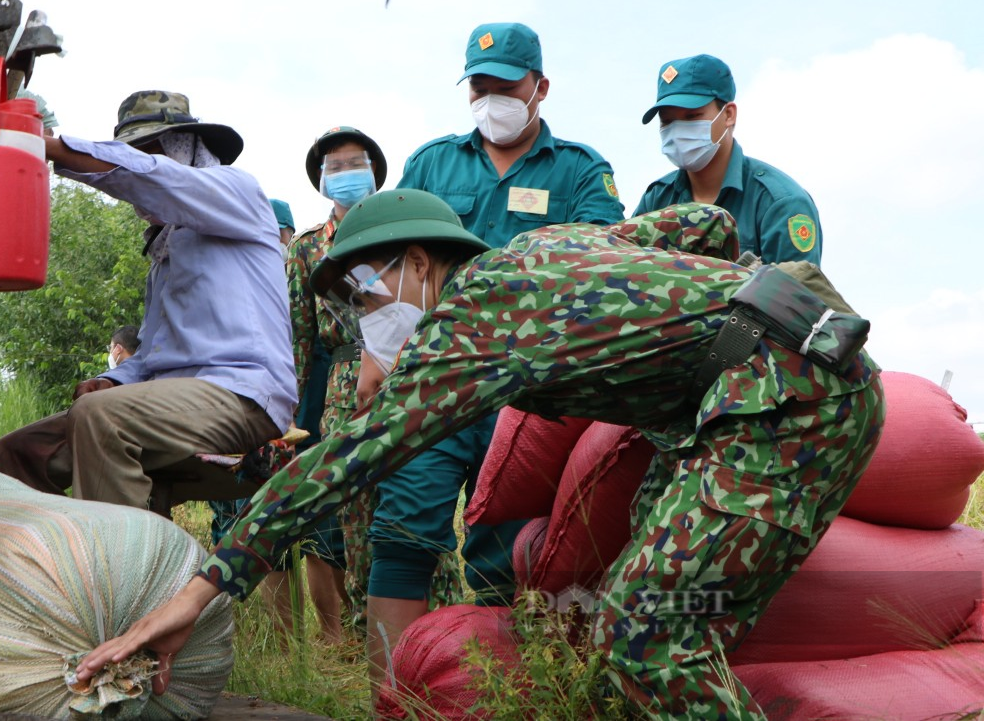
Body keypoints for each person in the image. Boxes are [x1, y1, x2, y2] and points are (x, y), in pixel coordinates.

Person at [75, 190, 884, 720]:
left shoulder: (471, 326)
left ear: (421, 264)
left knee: (646, 634)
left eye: (364, 296)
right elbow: (704, 226)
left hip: (785, 405)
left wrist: (203, 589)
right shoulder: (546, 247)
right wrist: (697, 320)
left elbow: (345, 461)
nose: (364, 322)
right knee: (641, 610)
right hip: (770, 381)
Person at [371, 22, 626, 677]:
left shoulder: (579, 170)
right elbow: (399, 264)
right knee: (401, 533)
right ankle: (388, 693)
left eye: (506, 86)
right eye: (479, 86)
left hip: (526, 392)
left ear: (540, 87)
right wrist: (379, 353)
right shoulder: (433, 162)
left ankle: (495, 689)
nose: (492, 98)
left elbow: (601, 268)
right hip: (435, 380)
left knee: (505, 548)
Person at [0, 91, 297, 511]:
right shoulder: (164, 252)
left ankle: (123, 571)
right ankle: (55, 563)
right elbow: (152, 354)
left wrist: (53, 147)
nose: (140, 167)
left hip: (244, 396)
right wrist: (113, 380)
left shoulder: (237, 193)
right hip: (173, 397)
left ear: (183, 148)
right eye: (131, 153)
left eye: (152, 150)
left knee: (101, 416)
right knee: (15, 451)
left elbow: (160, 178)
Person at [283, 126, 390, 639]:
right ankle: (363, 633)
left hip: (408, 374)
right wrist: (285, 412)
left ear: (375, 170)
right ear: (321, 180)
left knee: (415, 497)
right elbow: (300, 342)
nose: (348, 173)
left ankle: (436, 621)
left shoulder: (401, 227)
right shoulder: (306, 249)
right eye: (336, 166)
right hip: (344, 385)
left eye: (357, 163)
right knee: (352, 512)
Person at [635, 54, 823, 264]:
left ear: (728, 114)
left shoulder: (780, 203)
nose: (678, 131)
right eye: (667, 122)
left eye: (692, 117)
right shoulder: (657, 200)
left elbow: (794, 294)